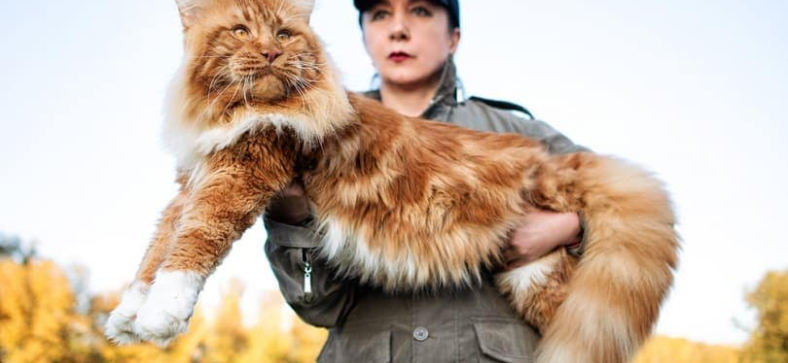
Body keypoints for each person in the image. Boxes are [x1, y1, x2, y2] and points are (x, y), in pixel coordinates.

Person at [264, 0, 587, 361]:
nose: (397, 29)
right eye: (380, 14)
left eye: (420, 10)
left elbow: (638, 216)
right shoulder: (316, 133)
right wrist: (292, 220)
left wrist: (568, 228)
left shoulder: (516, 133)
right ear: (364, 35)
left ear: (454, 37)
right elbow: (320, 308)